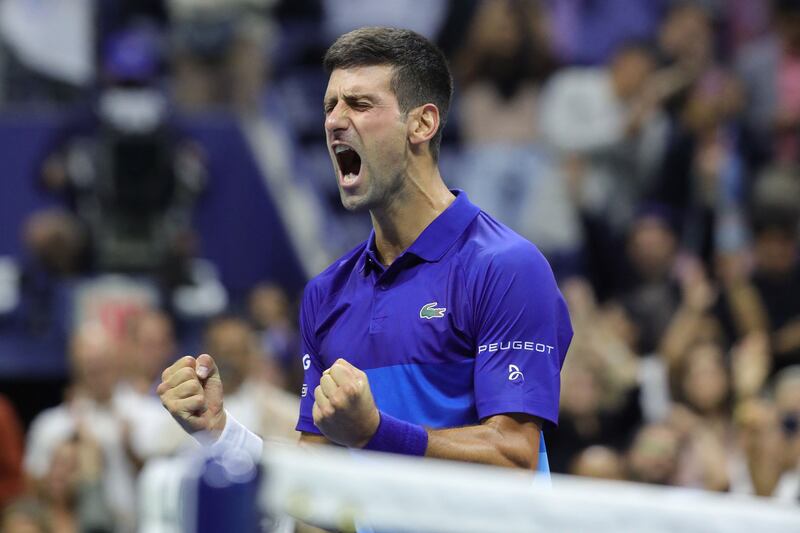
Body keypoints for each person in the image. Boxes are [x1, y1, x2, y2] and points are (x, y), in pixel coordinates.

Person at [158, 27, 571, 475]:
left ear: (423, 123)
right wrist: (221, 433)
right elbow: (316, 487)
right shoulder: (326, 293)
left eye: (359, 104)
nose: (335, 120)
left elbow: (513, 455)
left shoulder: (506, 266)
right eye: (329, 106)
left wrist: (375, 433)